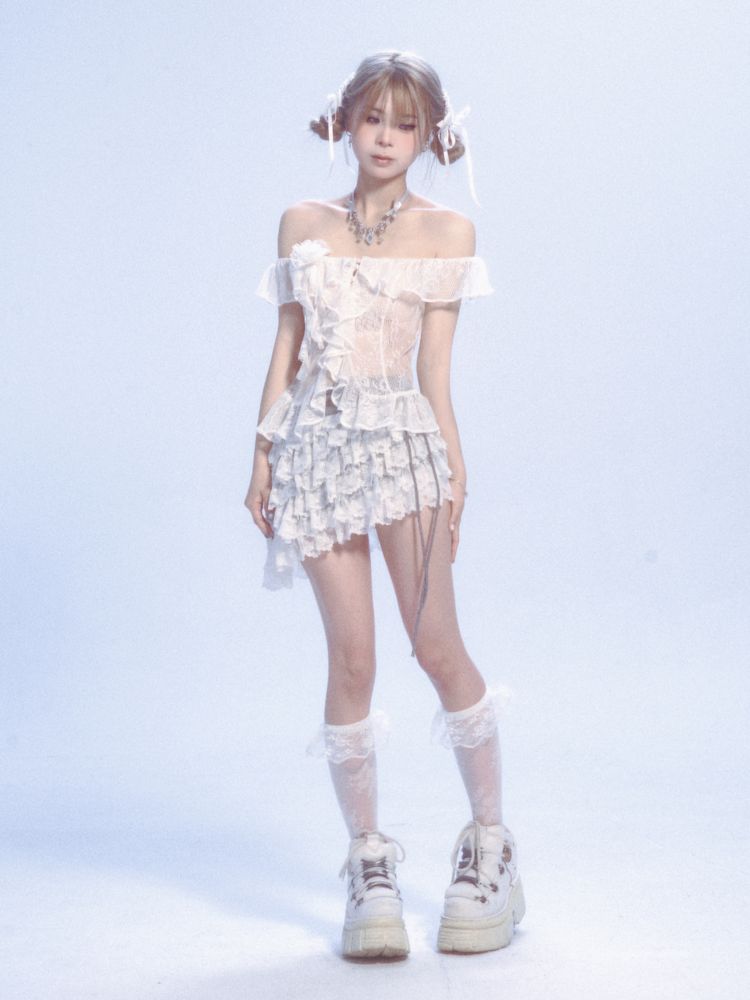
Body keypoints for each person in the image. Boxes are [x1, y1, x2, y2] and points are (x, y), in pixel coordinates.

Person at [244, 50, 525, 959]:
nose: (387, 138)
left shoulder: (449, 232)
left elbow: (435, 372)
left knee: (436, 646)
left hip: (405, 446)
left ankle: (492, 845)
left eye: (407, 124)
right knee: (353, 659)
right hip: (318, 450)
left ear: (431, 135)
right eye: (374, 118)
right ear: (347, 121)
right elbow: (287, 347)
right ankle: (369, 865)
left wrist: (454, 471)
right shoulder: (302, 222)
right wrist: (262, 454)